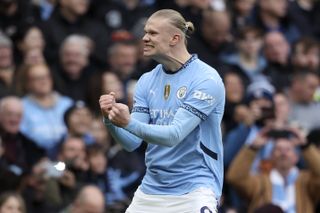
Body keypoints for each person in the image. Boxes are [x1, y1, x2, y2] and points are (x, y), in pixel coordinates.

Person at [99, 9, 225, 213]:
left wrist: (128, 122)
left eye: (152, 33)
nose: (144, 38)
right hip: (151, 190)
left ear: (175, 38)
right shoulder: (147, 80)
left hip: (194, 189)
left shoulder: (206, 79)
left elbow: (174, 135)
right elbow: (131, 143)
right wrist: (111, 120)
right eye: (145, 32)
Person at [226, 127, 320, 213]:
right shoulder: (260, 181)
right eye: (278, 149)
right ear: (271, 156)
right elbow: (235, 178)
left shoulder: (306, 181)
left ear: (296, 157)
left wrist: (306, 146)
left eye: (288, 149)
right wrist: (253, 147)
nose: (283, 153)